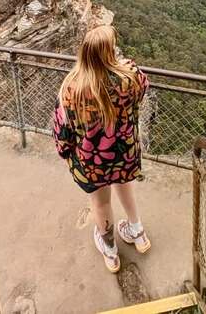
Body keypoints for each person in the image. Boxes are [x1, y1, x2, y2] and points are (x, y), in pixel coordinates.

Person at [52, 24, 150, 272]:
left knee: (100, 203)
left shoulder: (71, 90)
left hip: (92, 161)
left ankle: (110, 251)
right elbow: (143, 90)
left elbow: (62, 131)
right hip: (123, 151)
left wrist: (65, 153)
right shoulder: (130, 76)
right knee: (124, 184)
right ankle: (137, 233)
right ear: (109, 52)